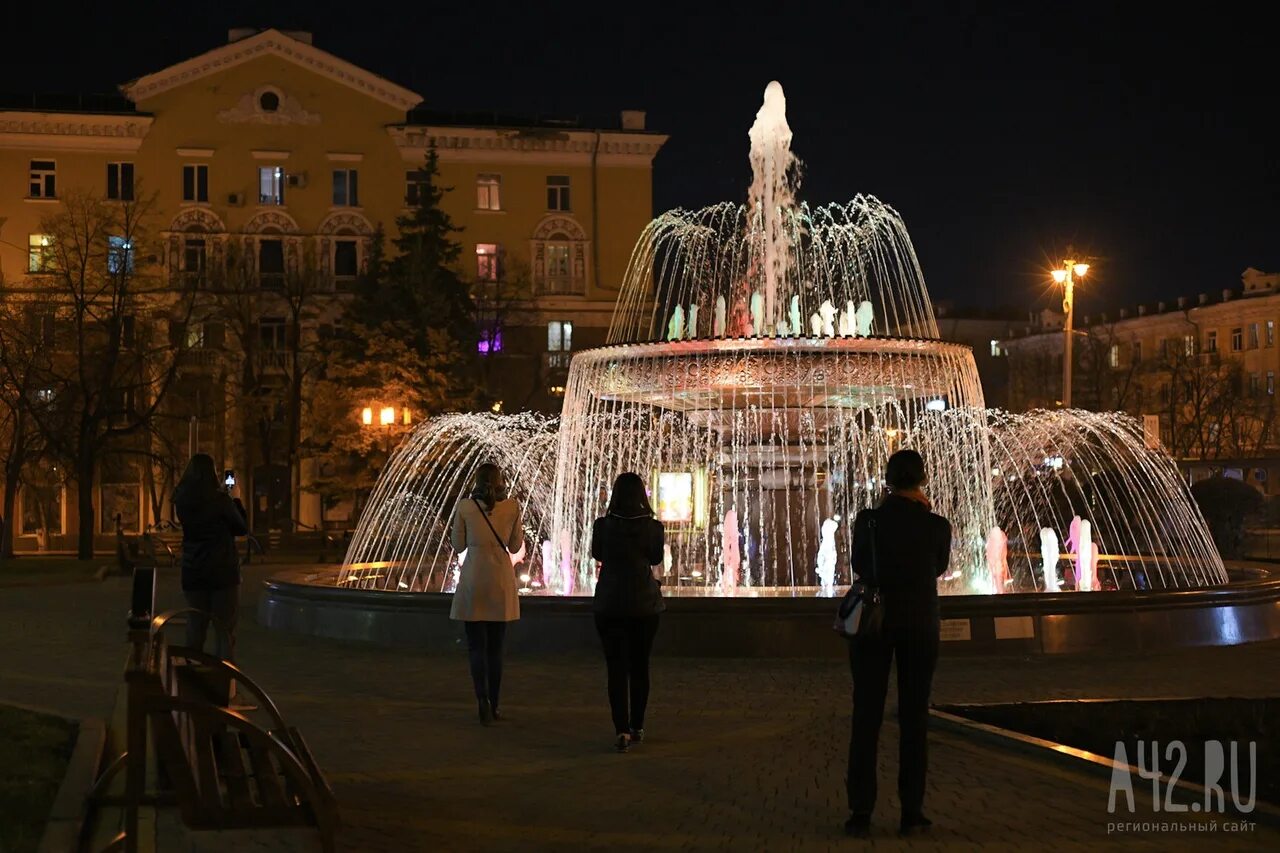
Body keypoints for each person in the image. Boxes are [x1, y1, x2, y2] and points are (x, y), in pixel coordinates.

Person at [844, 449, 951, 838]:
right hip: (920, 625)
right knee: (914, 716)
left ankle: (860, 811)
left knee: (866, 715)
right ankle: (912, 811)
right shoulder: (937, 525)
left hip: (874, 623)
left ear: (887, 480)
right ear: (921, 480)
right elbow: (938, 568)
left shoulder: (868, 521)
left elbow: (859, 564)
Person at [590, 472, 665, 753]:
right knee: (640, 666)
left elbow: (598, 554)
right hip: (644, 604)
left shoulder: (602, 525)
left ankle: (620, 729)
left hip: (609, 602)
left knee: (616, 668)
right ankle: (638, 726)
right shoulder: (653, 527)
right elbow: (656, 558)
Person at [450, 463, 523, 726]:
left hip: (473, 578)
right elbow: (515, 545)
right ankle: (495, 704)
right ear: (501, 480)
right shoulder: (512, 506)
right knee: (496, 647)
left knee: (475, 646)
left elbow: (457, 545)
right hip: (500, 580)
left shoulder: (465, 507)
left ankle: (481, 699)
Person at [173, 454, 248, 661]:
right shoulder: (221, 500)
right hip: (222, 573)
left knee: (195, 628)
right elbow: (241, 528)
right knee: (224, 632)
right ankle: (223, 685)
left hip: (193, 572)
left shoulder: (182, 500)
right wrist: (236, 499)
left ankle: (191, 681)